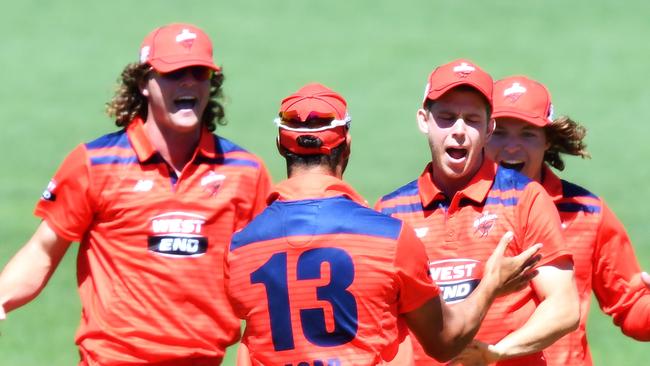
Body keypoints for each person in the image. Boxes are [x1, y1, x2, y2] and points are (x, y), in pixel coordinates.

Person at [0, 23, 272, 365]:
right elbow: (42, 252)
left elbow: (267, 283)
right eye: (174, 73)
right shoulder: (95, 164)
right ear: (144, 82)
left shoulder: (245, 173)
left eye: (199, 72)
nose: (188, 82)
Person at [224, 83, 542, 366]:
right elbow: (445, 343)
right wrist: (491, 285)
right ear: (346, 144)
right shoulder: (389, 236)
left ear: (281, 146)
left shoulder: (240, 248)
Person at [375, 59, 580, 365]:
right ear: (423, 120)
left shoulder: (526, 198)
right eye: (446, 117)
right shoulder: (389, 211)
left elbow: (564, 307)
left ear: (489, 129)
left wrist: (497, 353)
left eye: (472, 120)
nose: (459, 131)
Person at [485, 75, 650, 365]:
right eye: (500, 133)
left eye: (527, 134)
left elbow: (631, 307)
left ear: (547, 140)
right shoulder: (453, 210)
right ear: (482, 134)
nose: (511, 147)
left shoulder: (586, 212)